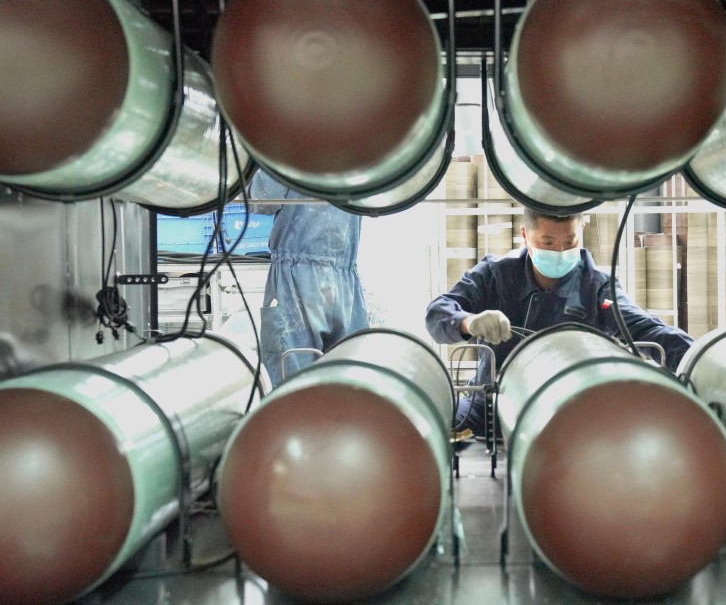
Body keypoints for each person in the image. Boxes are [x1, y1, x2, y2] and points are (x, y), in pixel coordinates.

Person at [426, 207, 694, 437]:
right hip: (487, 406)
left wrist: (698, 362)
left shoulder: (597, 288)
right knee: (436, 430)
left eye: (569, 242)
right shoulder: (495, 275)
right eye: (548, 243)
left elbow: (648, 330)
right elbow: (437, 313)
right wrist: (468, 322)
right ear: (525, 237)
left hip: (567, 413)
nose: (560, 251)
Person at [248, 170, 370, 387]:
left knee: (292, 385)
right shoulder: (356, 149)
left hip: (297, 278)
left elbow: (262, 199)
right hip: (344, 279)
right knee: (351, 385)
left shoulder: (288, 146)